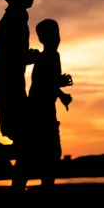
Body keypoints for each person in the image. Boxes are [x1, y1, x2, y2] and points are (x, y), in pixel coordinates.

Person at [0, 0, 39, 189]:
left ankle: (17, 189)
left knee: (27, 144)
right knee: (29, 145)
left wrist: (26, 56)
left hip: (10, 88)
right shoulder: (14, 20)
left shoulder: (15, 19)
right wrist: (28, 56)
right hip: (8, 90)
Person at [18, 19, 73, 190]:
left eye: (56, 34)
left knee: (48, 155)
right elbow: (41, 84)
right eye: (51, 35)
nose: (56, 38)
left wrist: (61, 93)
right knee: (41, 155)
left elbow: (48, 82)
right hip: (38, 111)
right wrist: (59, 83)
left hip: (47, 110)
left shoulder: (54, 56)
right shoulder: (44, 58)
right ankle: (21, 190)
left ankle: (32, 189)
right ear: (42, 39)